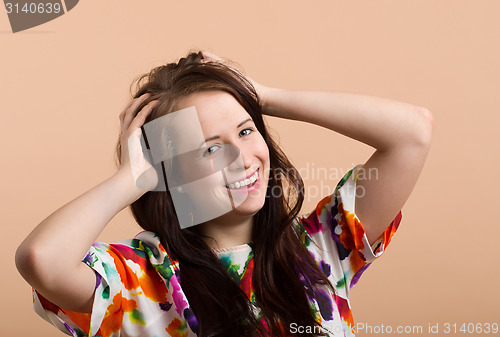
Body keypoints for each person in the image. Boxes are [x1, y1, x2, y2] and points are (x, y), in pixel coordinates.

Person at [15, 50, 433, 337]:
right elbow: (41, 259)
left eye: (246, 130)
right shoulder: (136, 281)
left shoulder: (320, 249)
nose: (242, 156)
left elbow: (412, 132)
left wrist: (263, 96)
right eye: (210, 147)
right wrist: (134, 176)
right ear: (168, 172)